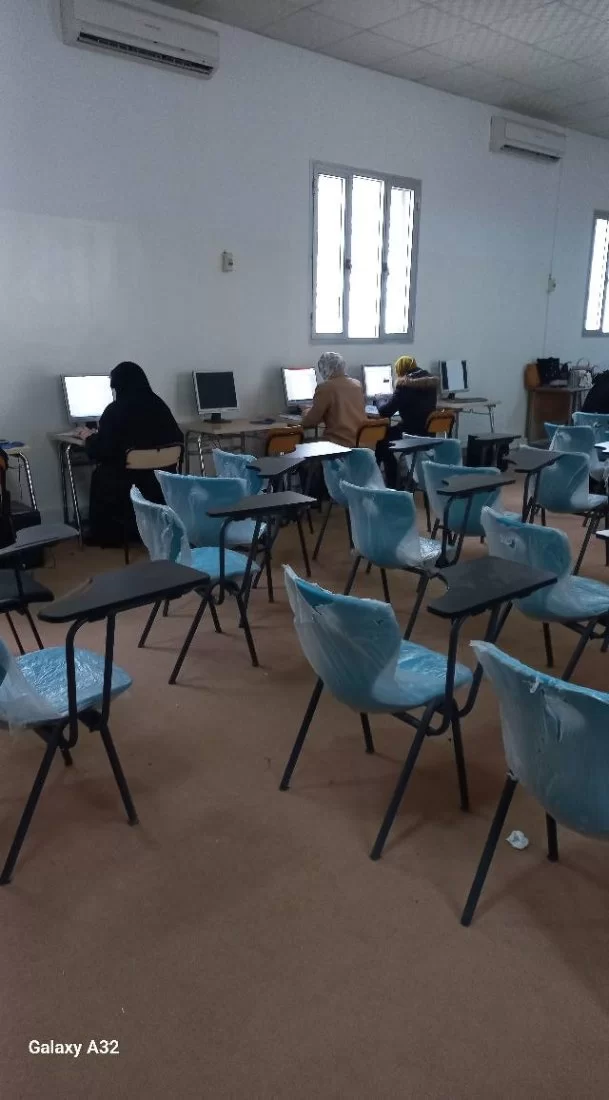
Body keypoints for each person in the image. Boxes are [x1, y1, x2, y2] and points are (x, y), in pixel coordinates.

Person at [77, 361, 183, 547]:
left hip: (126, 482)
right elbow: (178, 439)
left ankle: (105, 534)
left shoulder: (115, 410)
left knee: (100, 474)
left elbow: (101, 451)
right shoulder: (159, 405)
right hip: (161, 481)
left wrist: (88, 438)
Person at [375, 356, 438, 488]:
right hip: (428, 434)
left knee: (381, 440)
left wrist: (380, 399)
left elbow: (386, 412)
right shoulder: (430, 383)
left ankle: (391, 484)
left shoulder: (405, 385)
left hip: (409, 434)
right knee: (387, 437)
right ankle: (399, 480)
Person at [301, 352, 366, 447]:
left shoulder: (326, 388)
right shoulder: (357, 385)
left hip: (338, 444)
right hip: (360, 443)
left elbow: (310, 422)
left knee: (305, 446)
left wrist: (306, 412)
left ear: (326, 369)